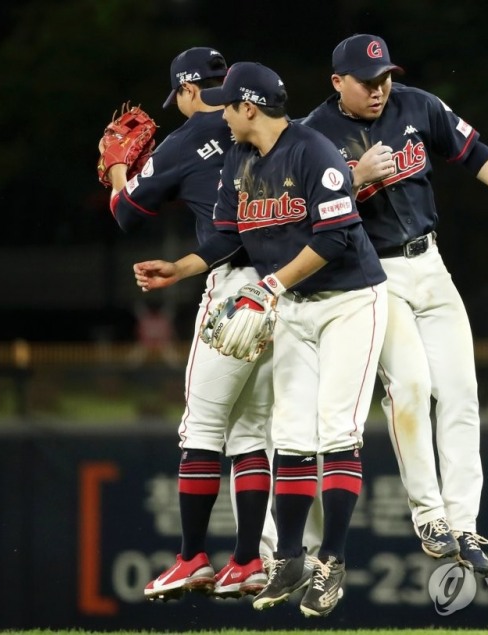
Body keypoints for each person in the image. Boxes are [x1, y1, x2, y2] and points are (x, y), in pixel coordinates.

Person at [133, 61, 388, 618]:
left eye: (226, 104)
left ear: (249, 108)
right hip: (292, 303)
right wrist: (179, 269)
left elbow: (338, 238)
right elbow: (227, 236)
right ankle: (289, 558)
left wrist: (269, 285)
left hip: (350, 301)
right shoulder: (241, 161)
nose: (220, 112)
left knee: (335, 433)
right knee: (292, 437)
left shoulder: (312, 151)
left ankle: (332, 563)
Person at [302, 34, 488, 574]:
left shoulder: (416, 104)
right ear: (337, 82)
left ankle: (464, 524)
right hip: (372, 274)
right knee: (412, 386)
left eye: (384, 77)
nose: (379, 89)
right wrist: (353, 179)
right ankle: (430, 517)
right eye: (367, 81)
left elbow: (474, 153)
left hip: (430, 264)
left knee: (463, 392)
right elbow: (301, 218)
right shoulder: (313, 136)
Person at [100, 47, 278, 601]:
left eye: (177, 96)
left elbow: (125, 211)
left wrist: (118, 167)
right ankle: (248, 560)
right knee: (252, 432)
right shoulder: (267, 126)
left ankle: (191, 558)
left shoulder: (182, 141)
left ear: (188, 90)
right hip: (282, 289)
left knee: (202, 428)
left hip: (229, 289)